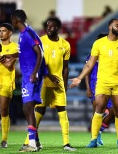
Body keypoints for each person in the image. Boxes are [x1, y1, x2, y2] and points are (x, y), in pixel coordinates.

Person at [69, 18, 118, 148]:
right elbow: (90, 63)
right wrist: (79, 78)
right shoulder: (99, 43)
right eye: (117, 25)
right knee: (99, 110)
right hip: (102, 82)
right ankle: (93, 140)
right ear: (110, 27)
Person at [22, 17, 76, 151]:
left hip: (58, 84)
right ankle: (28, 141)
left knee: (62, 112)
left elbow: (65, 67)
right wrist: (48, 75)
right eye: (47, 26)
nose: (48, 28)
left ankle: (66, 144)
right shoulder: (41, 41)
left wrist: (64, 84)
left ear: (57, 28)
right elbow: (38, 62)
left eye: (51, 26)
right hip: (43, 83)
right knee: (39, 111)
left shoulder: (65, 44)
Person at [11, 9, 48, 152]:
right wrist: (12, 56)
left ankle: (32, 144)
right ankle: (36, 142)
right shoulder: (24, 34)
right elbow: (26, 52)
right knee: (27, 108)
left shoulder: (28, 33)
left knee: (28, 108)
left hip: (31, 76)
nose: (11, 22)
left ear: (15, 19)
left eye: (12, 19)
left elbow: (40, 52)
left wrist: (34, 73)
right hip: (29, 75)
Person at [85, 33, 115, 146]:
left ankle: (99, 130)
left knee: (113, 112)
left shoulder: (110, 54)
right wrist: (88, 88)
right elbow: (87, 72)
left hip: (109, 84)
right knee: (97, 112)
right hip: (95, 85)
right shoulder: (91, 56)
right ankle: (94, 138)